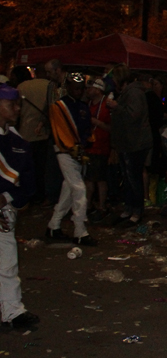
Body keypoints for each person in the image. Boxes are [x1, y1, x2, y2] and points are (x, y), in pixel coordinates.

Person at [0, 84, 38, 329]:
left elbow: (28, 182)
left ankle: (13, 311)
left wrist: (11, 201)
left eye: (17, 104)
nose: (16, 108)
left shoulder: (19, 143)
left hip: (5, 212)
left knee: (7, 260)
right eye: (10, 104)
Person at [46, 74, 96, 246]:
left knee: (68, 188)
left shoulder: (83, 106)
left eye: (82, 88)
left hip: (79, 152)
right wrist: (70, 147)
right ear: (68, 88)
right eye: (76, 88)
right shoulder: (59, 106)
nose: (79, 91)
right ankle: (80, 230)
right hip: (64, 151)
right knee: (79, 188)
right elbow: (58, 131)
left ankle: (54, 225)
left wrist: (86, 144)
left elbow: (87, 130)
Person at [16, 59, 64, 204]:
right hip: (48, 133)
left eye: (51, 72)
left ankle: (41, 196)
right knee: (46, 166)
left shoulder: (23, 87)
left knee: (37, 167)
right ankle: (49, 195)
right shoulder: (50, 86)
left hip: (34, 132)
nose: (49, 75)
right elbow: (48, 106)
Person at [109, 68, 152, 227]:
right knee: (128, 178)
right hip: (128, 142)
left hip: (135, 143)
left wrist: (116, 107)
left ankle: (136, 210)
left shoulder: (134, 93)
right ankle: (130, 208)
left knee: (133, 178)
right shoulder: (130, 93)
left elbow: (133, 115)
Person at [85, 79, 112, 221]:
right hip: (90, 146)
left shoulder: (107, 104)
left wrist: (97, 123)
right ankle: (88, 205)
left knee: (98, 178)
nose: (88, 90)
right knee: (89, 178)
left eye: (91, 88)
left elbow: (112, 128)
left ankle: (101, 206)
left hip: (101, 146)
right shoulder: (89, 104)